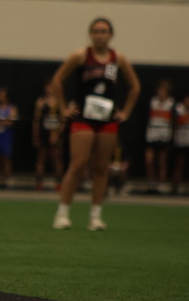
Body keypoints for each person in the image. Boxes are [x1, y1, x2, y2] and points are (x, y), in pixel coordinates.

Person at [51, 17, 140, 231]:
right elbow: (57, 80)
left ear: (111, 35)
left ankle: (95, 216)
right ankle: (62, 213)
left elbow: (135, 87)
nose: (100, 35)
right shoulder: (80, 56)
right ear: (91, 34)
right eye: (96, 31)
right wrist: (63, 109)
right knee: (78, 164)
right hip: (83, 117)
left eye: (104, 31)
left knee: (101, 167)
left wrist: (126, 112)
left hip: (107, 119)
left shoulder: (118, 59)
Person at [32, 81, 65, 191]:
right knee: (41, 159)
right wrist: (36, 136)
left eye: (51, 86)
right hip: (44, 134)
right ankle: (39, 183)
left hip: (55, 134)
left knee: (57, 159)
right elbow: (36, 121)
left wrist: (57, 135)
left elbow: (63, 121)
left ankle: (59, 184)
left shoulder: (59, 102)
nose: (49, 89)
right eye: (47, 86)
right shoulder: (41, 102)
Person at [143, 78, 174, 193]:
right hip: (151, 135)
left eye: (164, 90)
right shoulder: (152, 101)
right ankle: (151, 184)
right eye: (160, 90)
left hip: (164, 135)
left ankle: (161, 184)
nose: (161, 92)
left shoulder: (171, 103)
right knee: (149, 160)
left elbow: (174, 120)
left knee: (162, 162)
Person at [0, 86, 18, 188]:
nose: (0, 96)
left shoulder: (12, 108)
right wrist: (2, 121)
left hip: (6, 136)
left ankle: (7, 180)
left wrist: (1, 121)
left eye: (2, 94)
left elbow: (11, 122)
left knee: (6, 158)